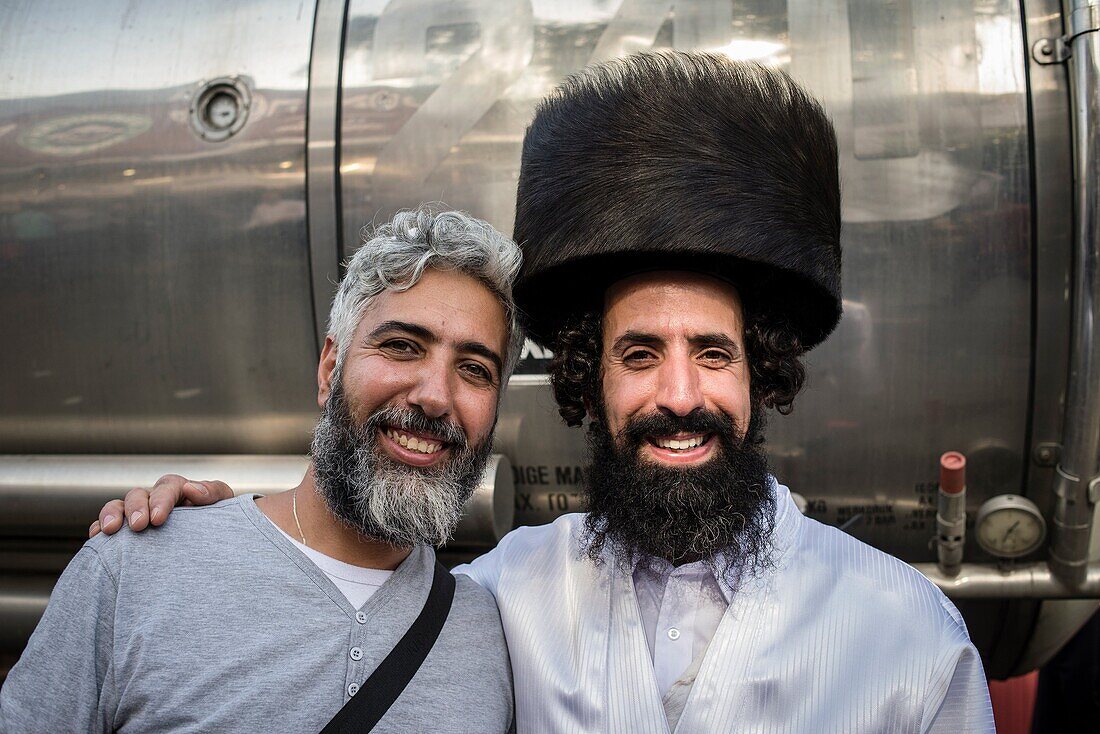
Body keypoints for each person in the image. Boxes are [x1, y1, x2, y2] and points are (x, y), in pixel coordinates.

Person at [88, 52, 995, 732]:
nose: (680, 394)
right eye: (639, 355)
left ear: (759, 378)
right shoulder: (500, 597)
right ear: (588, 385)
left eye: (712, 353)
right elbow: (338, 580)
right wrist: (219, 528)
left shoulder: (904, 631)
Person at [0, 207, 520, 733]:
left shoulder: (491, 633)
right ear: (329, 369)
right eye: (401, 347)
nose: (435, 397)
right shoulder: (136, 570)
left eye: (475, 369)